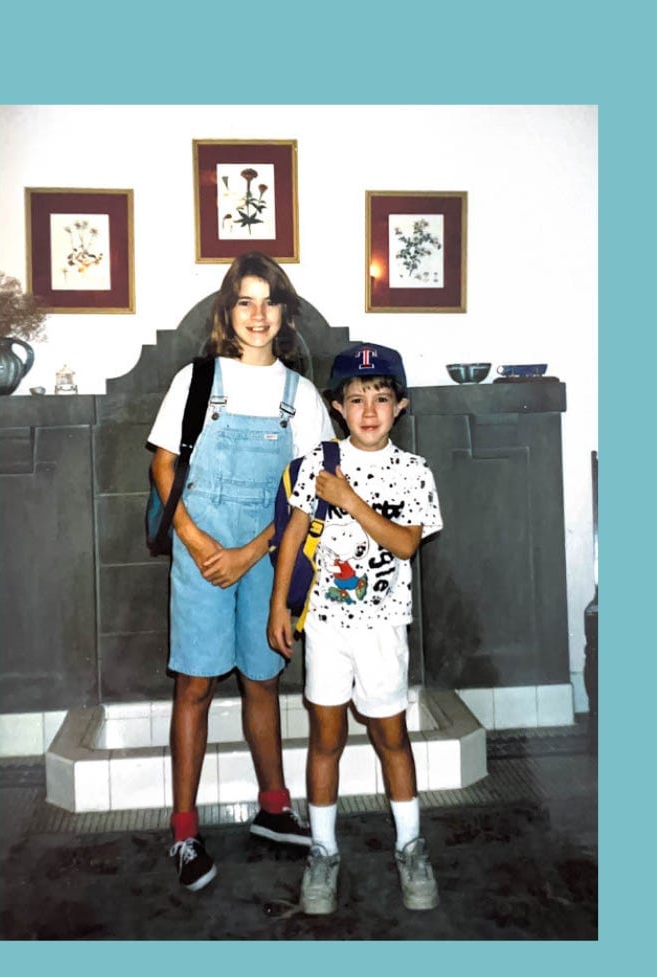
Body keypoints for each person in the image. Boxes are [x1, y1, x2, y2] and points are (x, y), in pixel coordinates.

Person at [148, 252, 334, 891]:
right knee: (195, 686)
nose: (257, 315)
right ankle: (183, 832)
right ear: (228, 311)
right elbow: (163, 468)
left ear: (284, 314)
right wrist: (200, 544)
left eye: (269, 302)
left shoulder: (301, 396)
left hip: (267, 555)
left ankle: (274, 809)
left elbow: (307, 495)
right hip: (198, 548)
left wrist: (252, 554)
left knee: (262, 680)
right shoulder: (195, 381)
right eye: (245, 301)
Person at [267, 343, 443, 914]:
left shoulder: (414, 472)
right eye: (357, 399)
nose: (369, 410)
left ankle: (411, 846)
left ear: (401, 406)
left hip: (383, 630)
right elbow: (293, 537)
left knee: (392, 737)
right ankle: (322, 852)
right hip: (325, 627)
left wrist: (349, 499)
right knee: (326, 739)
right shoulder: (320, 464)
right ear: (338, 407)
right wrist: (278, 607)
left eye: (382, 399)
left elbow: (406, 542)